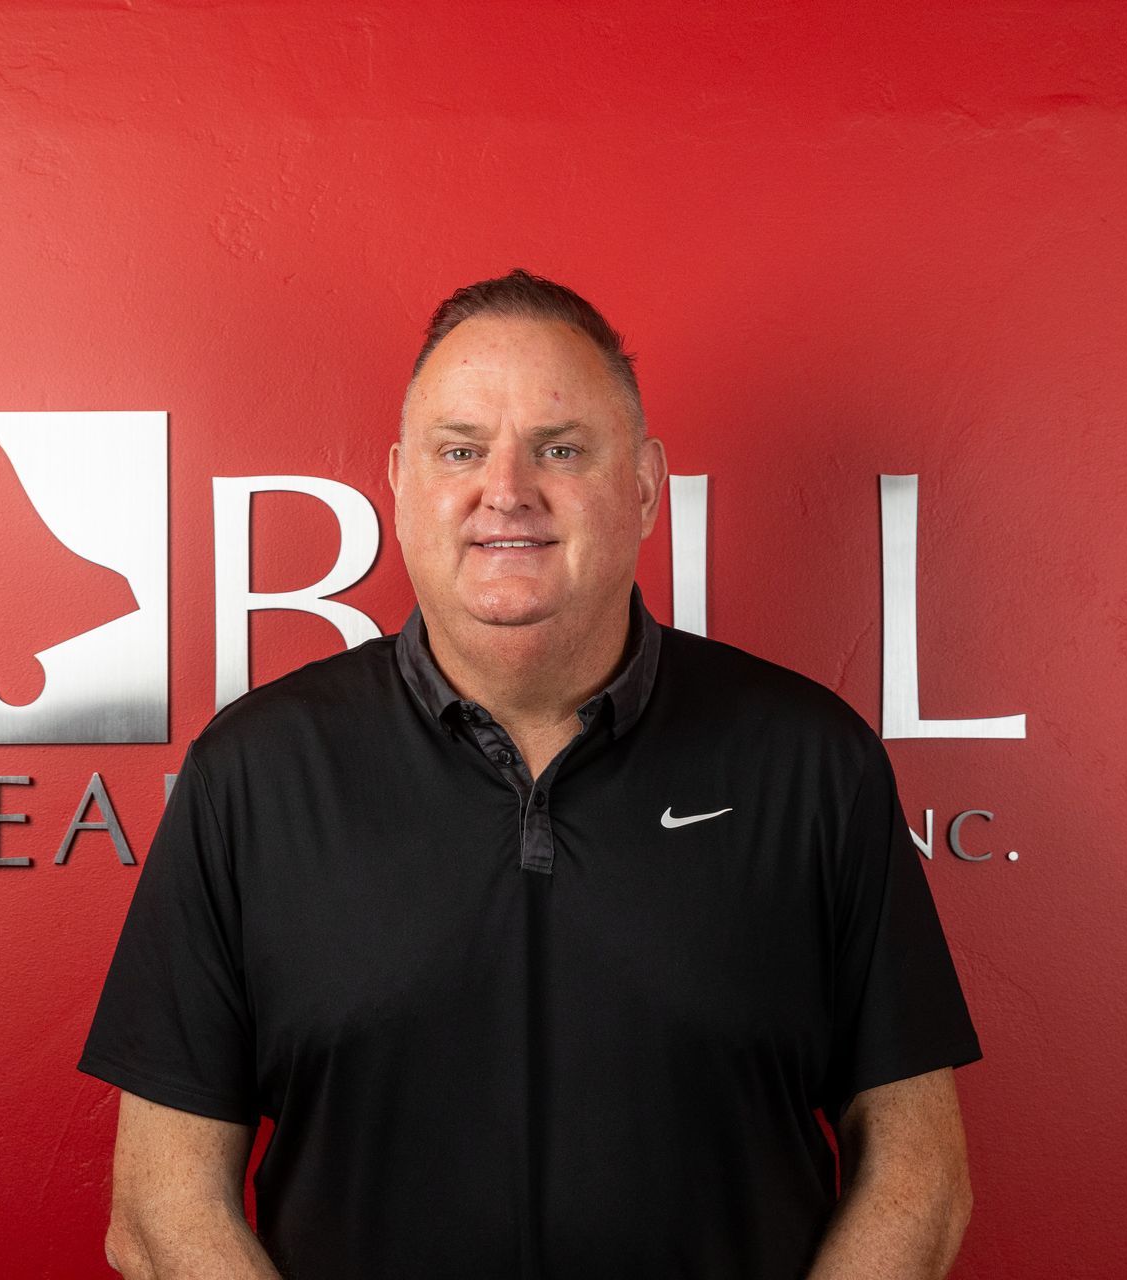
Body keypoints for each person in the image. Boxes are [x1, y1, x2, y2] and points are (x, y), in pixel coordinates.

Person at [78, 268, 983, 1279]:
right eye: (460, 449)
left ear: (641, 485)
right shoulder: (250, 775)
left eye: (559, 448)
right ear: (403, 483)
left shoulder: (813, 760)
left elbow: (920, 1172)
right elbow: (161, 1203)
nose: (504, 489)